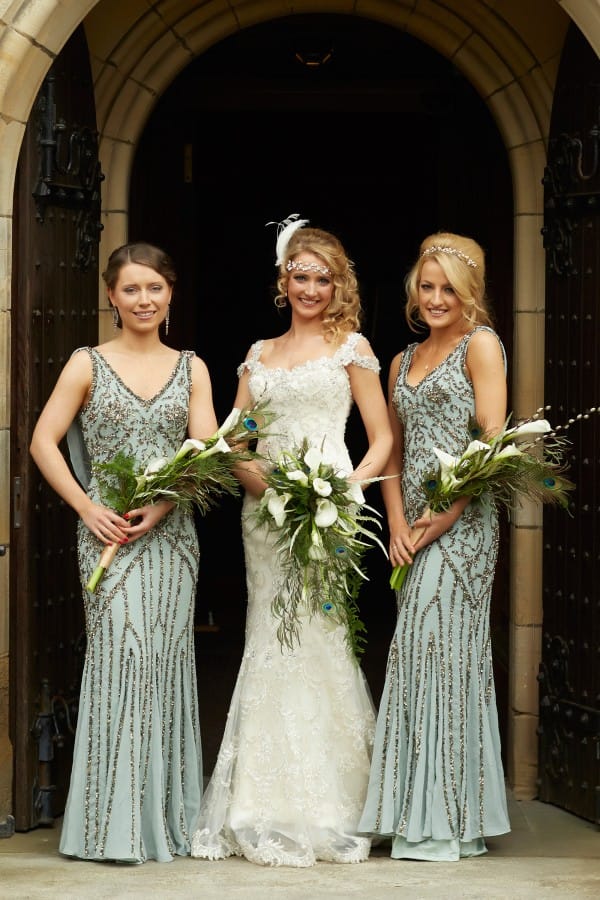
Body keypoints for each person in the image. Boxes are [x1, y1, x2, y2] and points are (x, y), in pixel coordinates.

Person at [191, 216, 393, 867]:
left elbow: (382, 437)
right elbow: (237, 437)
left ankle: (338, 800)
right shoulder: (258, 353)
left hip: (328, 513)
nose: (309, 288)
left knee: (323, 638)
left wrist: (345, 491)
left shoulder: (352, 348)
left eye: (321, 278)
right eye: (299, 276)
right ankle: (257, 801)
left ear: (338, 285)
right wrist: (251, 477)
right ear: (283, 281)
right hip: (266, 519)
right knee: (267, 641)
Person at [30, 242, 219, 863]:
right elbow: (42, 442)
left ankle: (161, 822)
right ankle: (110, 824)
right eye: (131, 289)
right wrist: (88, 508)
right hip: (105, 537)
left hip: (171, 544)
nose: (144, 300)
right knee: (122, 664)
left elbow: (206, 451)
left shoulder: (192, 367)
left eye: (155, 288)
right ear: (111, 296)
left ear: (171, 294)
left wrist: (162, 504)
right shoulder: (87, 362)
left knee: (161, 668)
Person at [358, 232, 511, 860]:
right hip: (412, 529)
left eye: (449, 287)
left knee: (445, 655)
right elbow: (390, 450)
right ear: (414, 292)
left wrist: (446, 514)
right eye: (428, 286)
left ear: (469, 291)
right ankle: (418, 812)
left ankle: (446, 819)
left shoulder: (482, 345)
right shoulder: (399, 362)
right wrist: (395, 523)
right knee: (417, 658)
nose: (437, 297)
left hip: (464, 525)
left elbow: (491, 442)